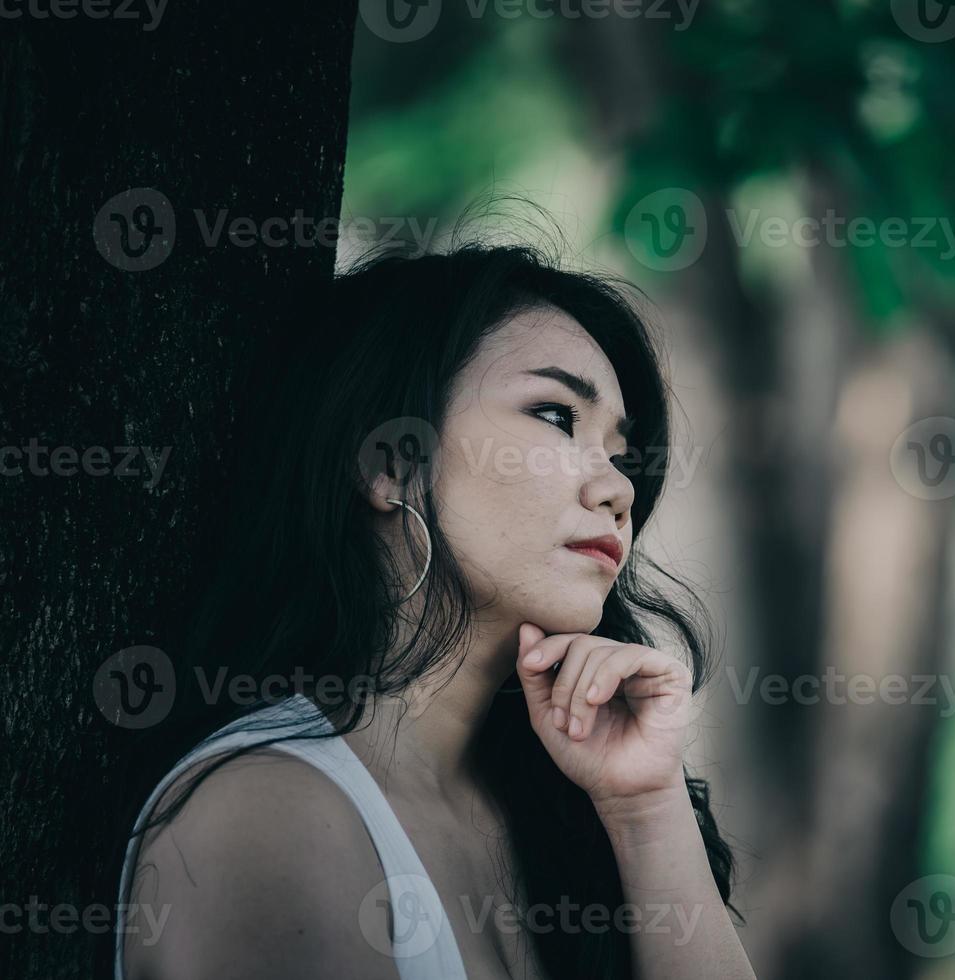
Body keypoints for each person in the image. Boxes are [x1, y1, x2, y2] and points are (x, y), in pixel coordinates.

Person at [110, 241, 755, 980]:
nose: (619, 489)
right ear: (394, 462)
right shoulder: (267, 814)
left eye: (621, 451)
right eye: (555, 414)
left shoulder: (557, 811)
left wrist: (646, 807)